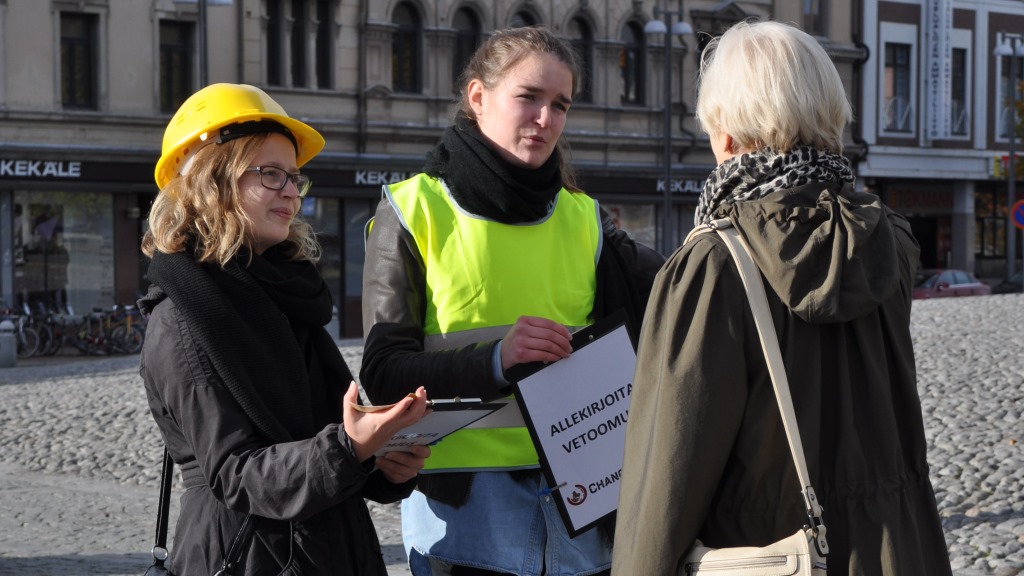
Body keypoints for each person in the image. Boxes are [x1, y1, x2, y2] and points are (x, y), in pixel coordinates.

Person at [611, 21, 953, 576]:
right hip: (898, 550)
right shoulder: (892, 239)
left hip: (769, 553)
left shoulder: (712, 265)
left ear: (722, 133)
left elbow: (669, 471)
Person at [360, 26, 664, 576]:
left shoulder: (586, 218)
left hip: (581, 515)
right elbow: (382, 373)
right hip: (463, 523)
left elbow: (675, 288)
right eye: (529, 97)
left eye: (560, 105)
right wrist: (497, 360)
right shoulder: (412, 209)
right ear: (477, 97)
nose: (545, 118)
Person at [139, 82, 431, 576]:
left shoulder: (287, 292)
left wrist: (381, 460)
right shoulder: (181, 315)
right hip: (245, 555)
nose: (292, 192)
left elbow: (329, 434)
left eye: (295, 177)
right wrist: (350, 448)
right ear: (212, 181)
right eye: (271, 174)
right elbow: (234, 475)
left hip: (332, 548)